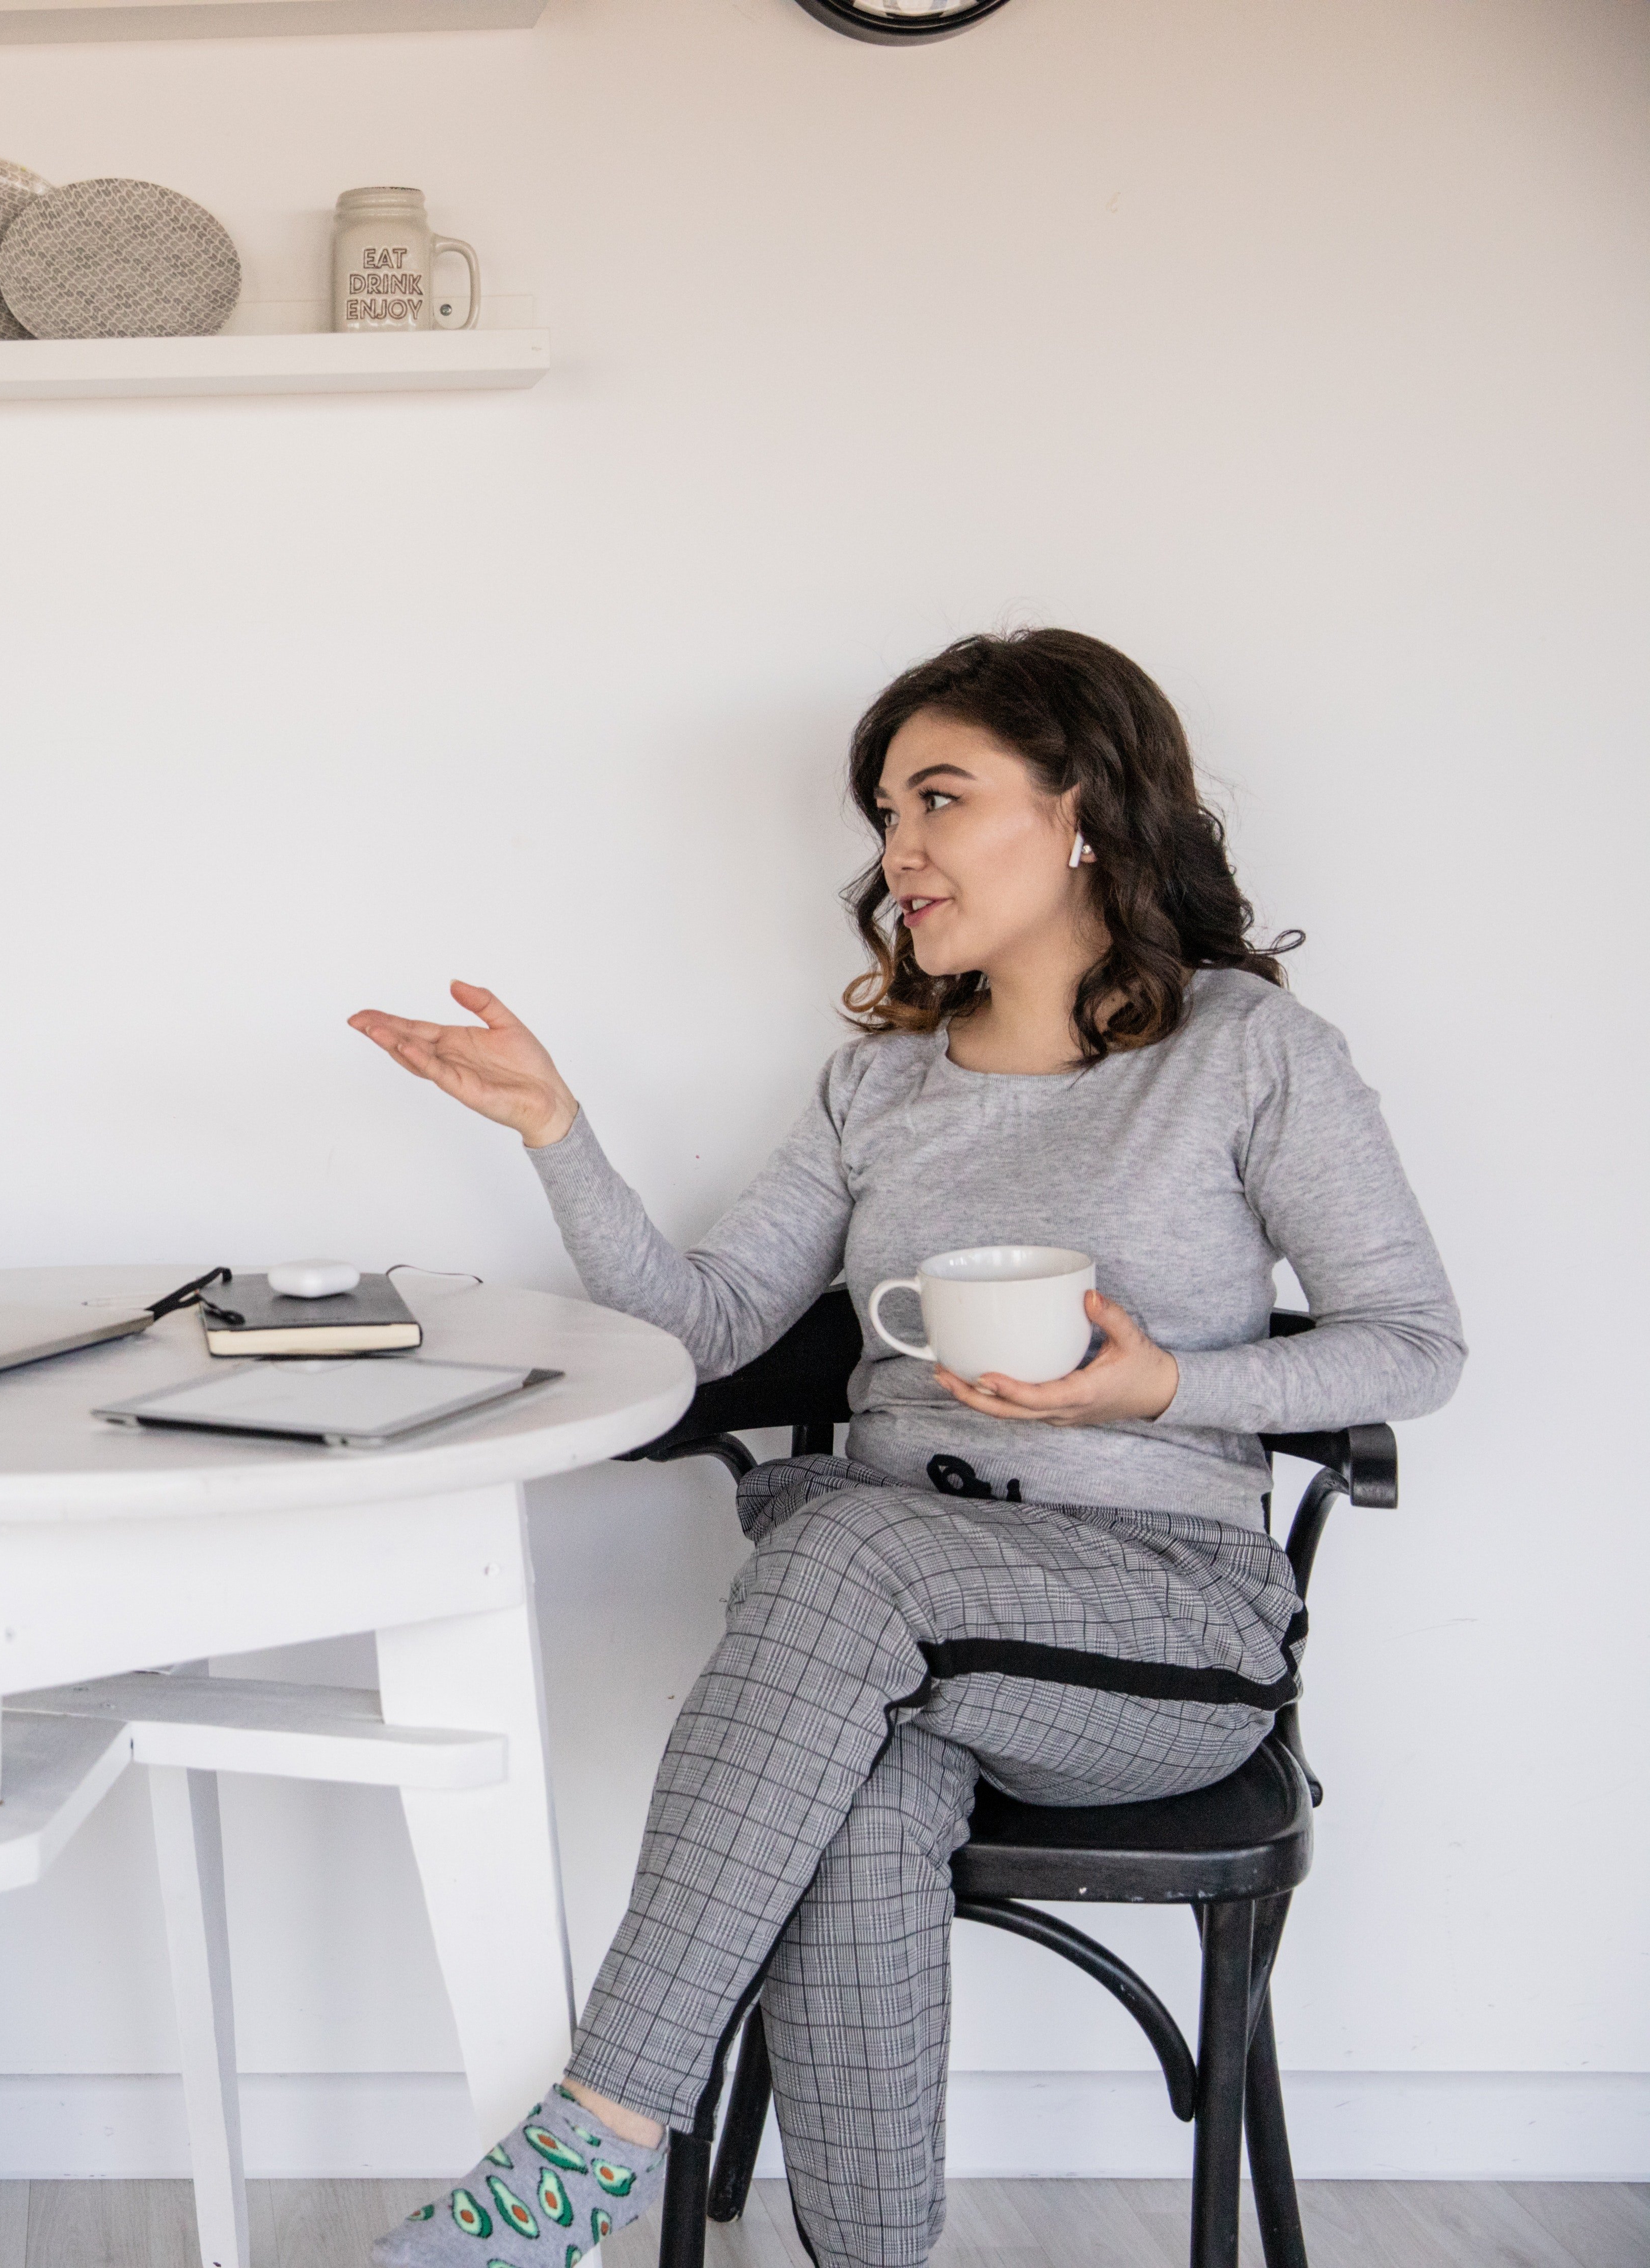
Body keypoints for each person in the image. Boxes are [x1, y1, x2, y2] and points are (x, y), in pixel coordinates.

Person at [347, 629, 1461, 2268]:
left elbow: (1416, 1348)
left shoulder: (1246, 1052)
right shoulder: (879, 1085)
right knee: (857, 1794)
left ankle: (590, 2148)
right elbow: (708, 1334)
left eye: (942, 799)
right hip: (883, 1636)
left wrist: (1163, 1394)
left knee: (842, 1544)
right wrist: (557, 1137)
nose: (900, 852)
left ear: (1085, 808)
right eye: (886, 812)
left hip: (1157, 1627)